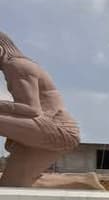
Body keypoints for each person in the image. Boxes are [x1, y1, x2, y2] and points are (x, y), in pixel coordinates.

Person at [0, 31, 80, 187]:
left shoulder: (16, 66)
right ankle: (85, 183)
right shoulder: (16, 65)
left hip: (57, 127)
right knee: (11, 186)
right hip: (46, 128)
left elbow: (31, 109)